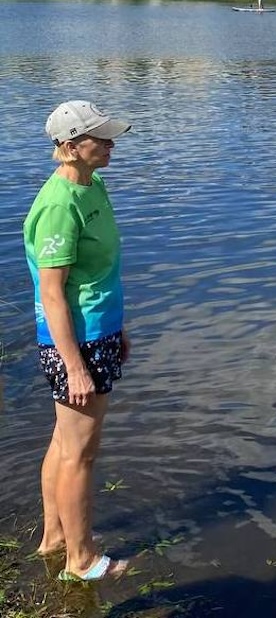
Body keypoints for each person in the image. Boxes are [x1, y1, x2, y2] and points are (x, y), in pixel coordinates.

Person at [23, 100, 134, 582]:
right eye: (100, 137)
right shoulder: (59, 205)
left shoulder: (94, 186)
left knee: (62, 443)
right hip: (77, 342)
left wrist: (119, 328)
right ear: (70, 147)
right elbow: (51, 292)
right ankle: (81, 559)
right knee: (80, 454)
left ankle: (54, 540)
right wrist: (74, 365)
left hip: (99, 332)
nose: (111, 143)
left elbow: (98, 274)